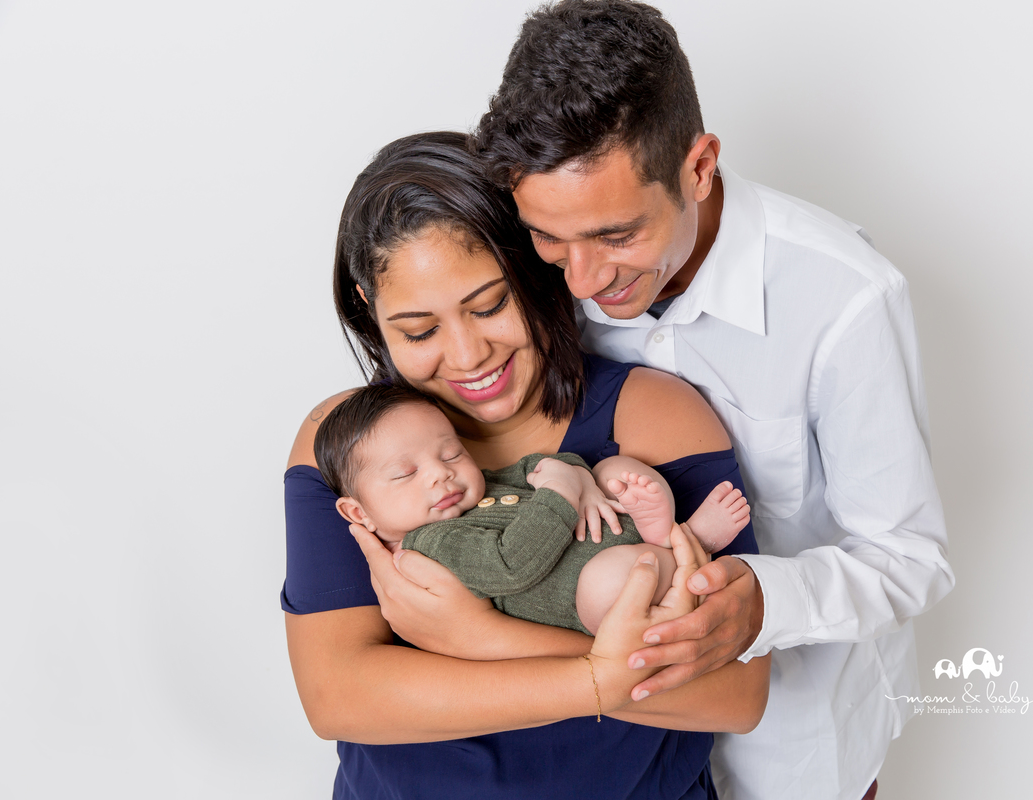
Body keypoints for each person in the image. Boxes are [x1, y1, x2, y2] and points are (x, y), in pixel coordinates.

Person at [472, 2, 956, 799]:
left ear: (698, 167)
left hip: (793, 753)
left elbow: (910, 559)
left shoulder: (846, 298)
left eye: (617, 236)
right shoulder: (534, 278)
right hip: (611, 750)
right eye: (552, 240)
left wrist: (764, 601)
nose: (582, 282)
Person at [283, 130, 771, 799]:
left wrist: (483, 636)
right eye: (419, 330)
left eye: (489, 306)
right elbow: (339, 697)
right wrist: (599, 675)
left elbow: (734, 695)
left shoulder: (650, 416)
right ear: (371, 306)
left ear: (538, 268)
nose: (467, 356)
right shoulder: (351, 446)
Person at [313, 382, 751, 635]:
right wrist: (561, 491)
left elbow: (538, 466)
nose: (440, 474)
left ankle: (662, 530)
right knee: (608, 582)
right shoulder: (429, 546)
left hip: (609, 520)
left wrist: (578, 478)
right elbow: (510, 567)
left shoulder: (483, 486)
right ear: (358, 513)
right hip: (586, 588)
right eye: (405, 473)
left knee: (613, 470)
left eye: (450, 454)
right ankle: (691, 542)